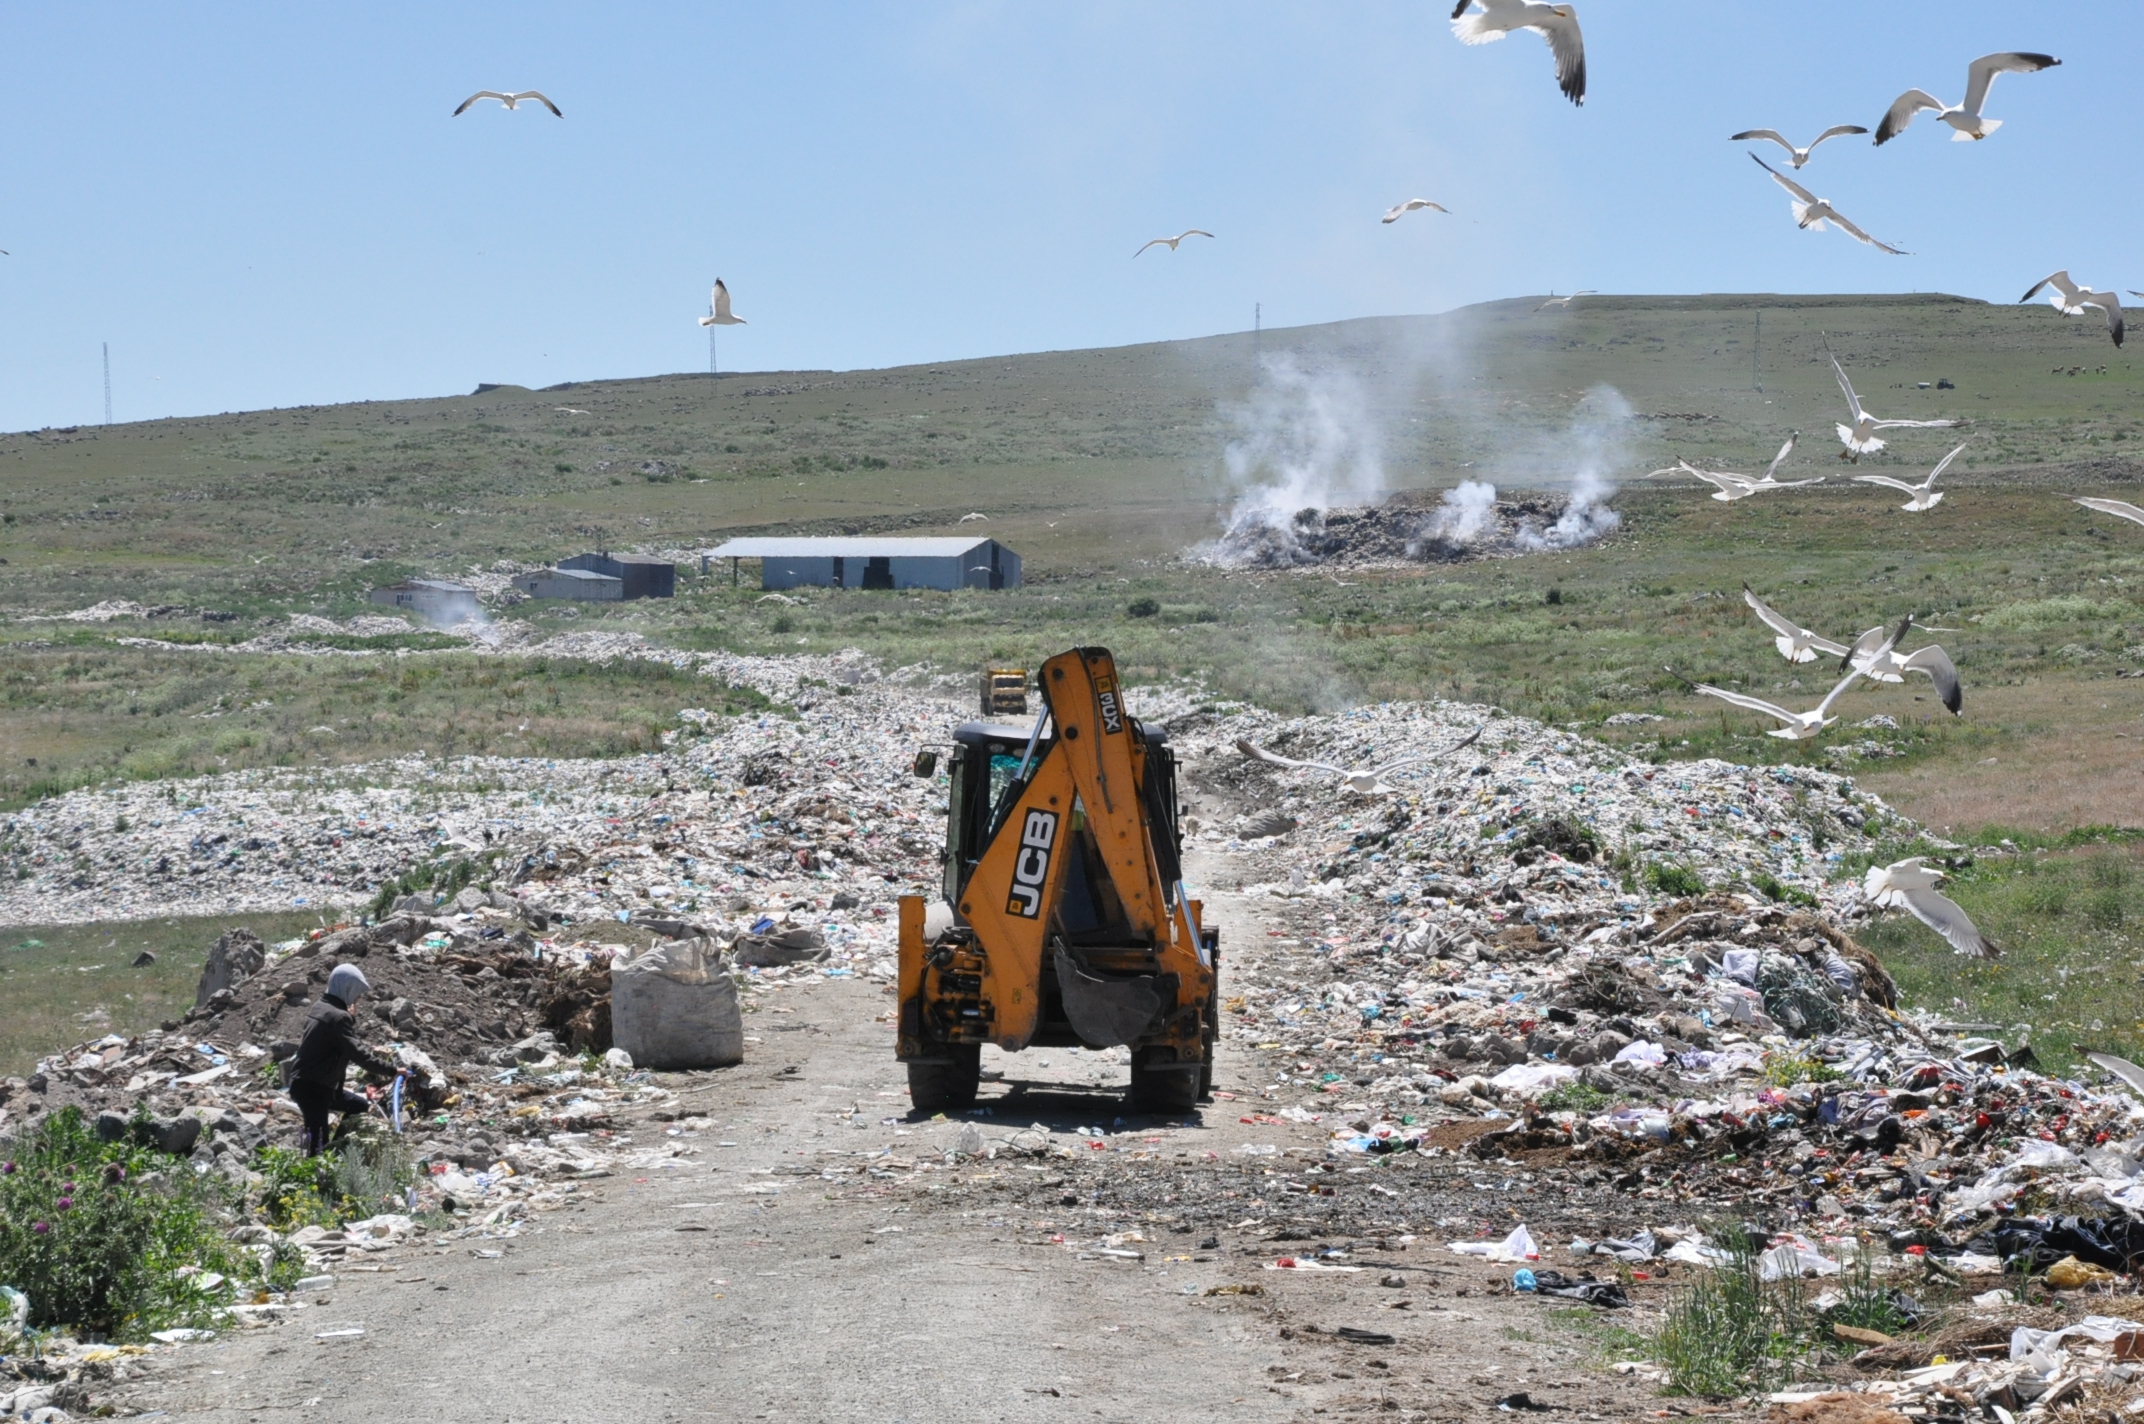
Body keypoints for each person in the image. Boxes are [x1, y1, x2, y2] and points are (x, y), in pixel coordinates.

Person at [290, 963, 404, 1156]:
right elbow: (359, 1054)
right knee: (317, 1147)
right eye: (356, 994)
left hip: (313, 1085)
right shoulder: (339, 1017)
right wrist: (393, 1070)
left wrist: (349, 1017)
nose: (357, 999)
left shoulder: (322, 1007)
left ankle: (336, 1151)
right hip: (313, 1089)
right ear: (348, 989)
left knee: (359, 1106)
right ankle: (319, 1171)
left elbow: (337, 1039)